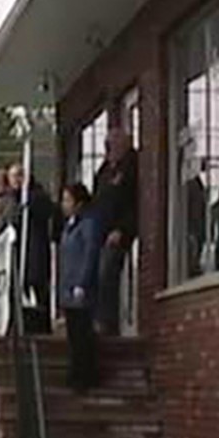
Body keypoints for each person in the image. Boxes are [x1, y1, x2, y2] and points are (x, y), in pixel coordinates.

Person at [89, 123, 137, 335]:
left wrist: (122, 228)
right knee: (94, 273)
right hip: (101, 232)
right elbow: (97, 201)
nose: (110, 148)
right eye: (108, 145)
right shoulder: (103, 172)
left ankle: (108, 324)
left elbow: (136, 201)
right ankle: (97, 320)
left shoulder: (132, 166)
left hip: (121, 232)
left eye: (114, 144)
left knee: (107, 272)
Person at [57, 182, 104, 390]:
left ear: (79, 203)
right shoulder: (70, 225)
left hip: (81, 286)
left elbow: (90, 254)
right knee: (73, 333)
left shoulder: (88, 224)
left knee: (82, 333)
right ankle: (75, 373)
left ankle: (86, 376)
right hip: (68, 284)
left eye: (67, 200)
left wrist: (82, 283)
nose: (64, 204)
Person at [3, 161, 56, 334]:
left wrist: (28, 202)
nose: (16, 180)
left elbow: (47, 211)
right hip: (17, 255)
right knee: (16, 293)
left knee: (39, 292)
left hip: (35, 253)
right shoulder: (11, 200)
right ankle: (18, 327)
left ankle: (42, 329)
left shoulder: (36, 195)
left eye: (19, 175)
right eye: (13, 177)